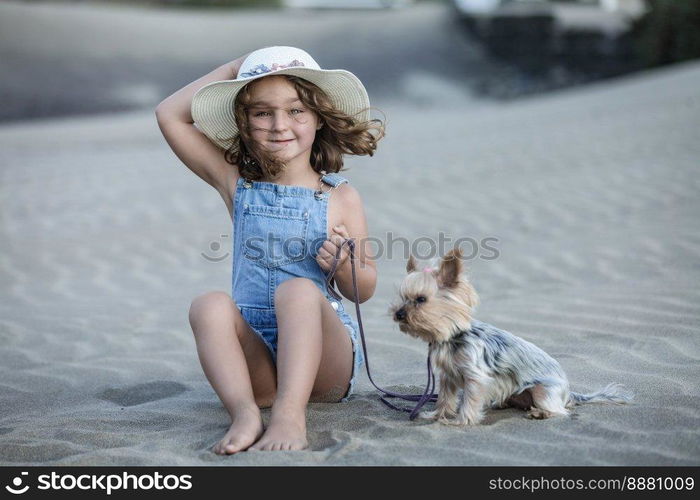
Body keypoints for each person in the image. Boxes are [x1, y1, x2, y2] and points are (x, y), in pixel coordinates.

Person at [155, 46, 384, 453]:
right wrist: (235, 68)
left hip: (324, 363)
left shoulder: (341, 197)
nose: (280, 125)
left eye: (296, 111)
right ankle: (244, 412)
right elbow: (169, 115)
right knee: (208, 304)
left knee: (296, 290)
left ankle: (289, 415)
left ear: (318, 118)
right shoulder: (235, 183)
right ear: (244, 122)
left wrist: (345, 265)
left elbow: (363, 290)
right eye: (263, 112)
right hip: (259, 362)